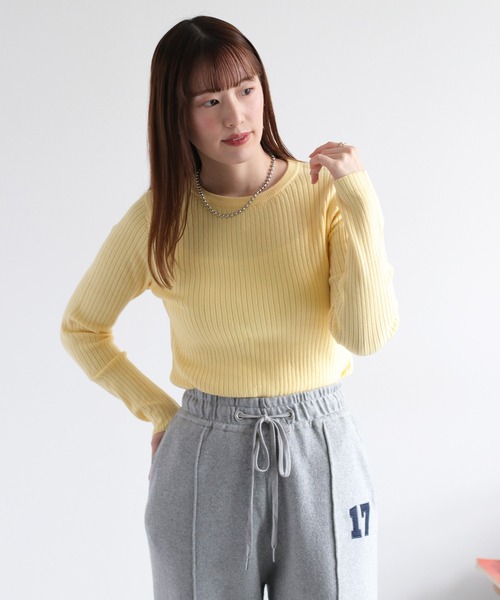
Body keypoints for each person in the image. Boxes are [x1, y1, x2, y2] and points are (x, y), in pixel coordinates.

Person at [60, 15, 399, 600]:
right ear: (177, 115)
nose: (236, 116)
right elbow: (82, 328)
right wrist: (162, 413)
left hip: (321, 446)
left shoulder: (324, 194)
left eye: (246, 89)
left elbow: (365, 336)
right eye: (210, 101)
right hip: (205, 454)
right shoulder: (158, 218)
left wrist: (361, 200)